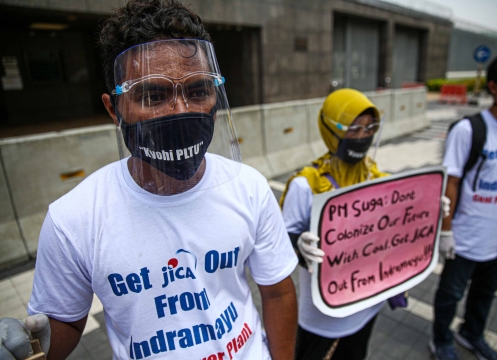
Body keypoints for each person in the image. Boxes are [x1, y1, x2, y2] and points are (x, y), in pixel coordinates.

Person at [0, 1, 298, 359]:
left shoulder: (248, 187)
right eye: (153, 95)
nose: (180, 109)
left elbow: (278, 292)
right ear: (115, 109)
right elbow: (66, 323)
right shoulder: (74, 220)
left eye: (198, 91)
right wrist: (31, 346)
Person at [430, 50, 497, 360]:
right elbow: (451, 181)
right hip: (467, 235)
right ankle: (441, 341)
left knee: (486, 293)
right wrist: (446, 231)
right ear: (494, 86)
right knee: (450, 294)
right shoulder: (469, 130)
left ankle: (472, 334)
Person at [280, 88, 387, 360]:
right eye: (352, 128)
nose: (363, 136)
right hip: (322, 312)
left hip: (368, 302)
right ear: (330, 128)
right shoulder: (306, 185)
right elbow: (283, 242)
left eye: (370, 127)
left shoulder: (379, 179)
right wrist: (298, 245)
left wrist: (430, 208)